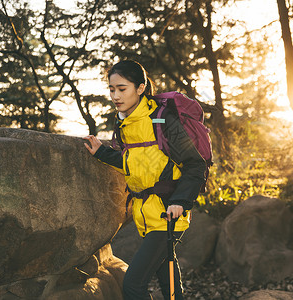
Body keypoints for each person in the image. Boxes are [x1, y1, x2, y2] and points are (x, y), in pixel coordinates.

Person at [83, 60, 206, 300]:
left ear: (140, 88)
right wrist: (101, 153)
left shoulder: (162, 119)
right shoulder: (124, 121)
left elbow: (195, 164)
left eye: (122, 88)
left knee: (133, 285)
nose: (115, 95)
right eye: (111, 89)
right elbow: (134, 160)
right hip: (146, 214)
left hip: (168, 213)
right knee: (169, 283)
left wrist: (180, 200)